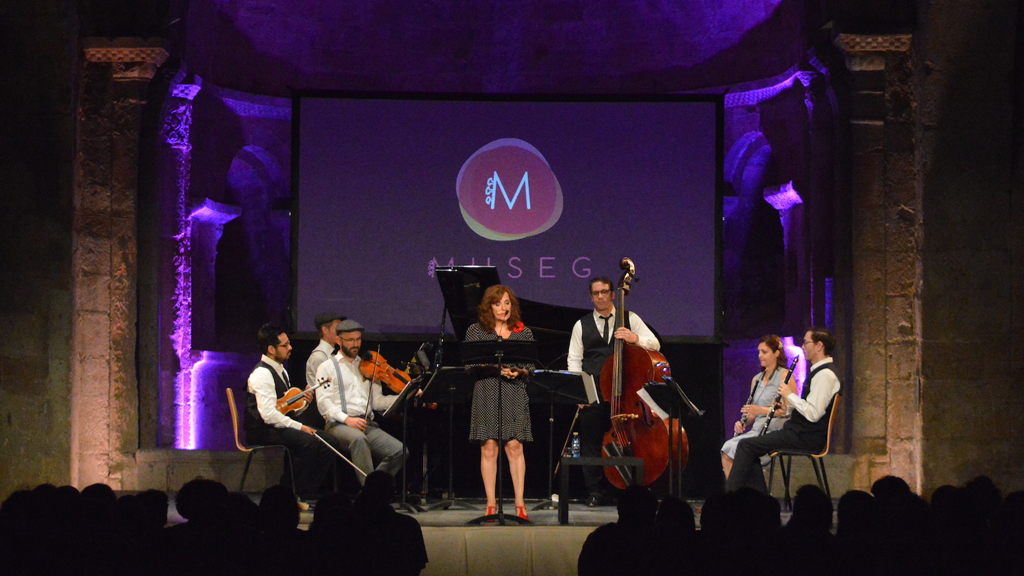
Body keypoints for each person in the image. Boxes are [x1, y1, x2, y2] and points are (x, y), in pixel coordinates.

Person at [567, 276, 660, 507]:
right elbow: (574, 361)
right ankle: (595, 491)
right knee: (591, 441)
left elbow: (655, 344)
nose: (600, 296)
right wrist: (580, 393)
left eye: (604, 292)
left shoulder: (630, 318)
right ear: (591, 297)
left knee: (631, 438)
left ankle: (629, 489)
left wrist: (635, 338)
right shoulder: (581, 325)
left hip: (625, 392)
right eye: (596, 293)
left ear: (612, 294)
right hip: (595, 392)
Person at [725, 327, 841, 494]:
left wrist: (789, 395)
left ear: (819, 346)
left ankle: (730, 500)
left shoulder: (825, 375)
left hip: (807, 437)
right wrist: (786, 408)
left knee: (746, 446)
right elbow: (808, 408)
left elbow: (814, 414)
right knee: (749, 447)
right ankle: (759, 502)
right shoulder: (819, 373)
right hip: (800, 433)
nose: (803, 346)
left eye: (806, 342)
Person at [244, 323, 338, 504]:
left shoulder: (282, 371)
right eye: (285, 345)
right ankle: (286, 496)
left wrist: (304, 402)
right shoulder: (262, 374)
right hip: (261, 429)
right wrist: (301, 427)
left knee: (329, 442)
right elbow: (269, 415)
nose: (290, 348)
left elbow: (285, 408)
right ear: (271, 349)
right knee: (307, 443)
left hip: (277, 425)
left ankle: (303, 493)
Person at [465, 284, 535, 520]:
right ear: (489, 307)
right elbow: (470, 365)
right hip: (487, 391)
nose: (503, 308)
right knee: (489, 448)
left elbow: (531, 367)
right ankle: (491, 504)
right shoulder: (476, 331)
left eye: (507, 303)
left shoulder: (522, 332)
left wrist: (519, 371)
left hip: (514, 393)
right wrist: (496, 368)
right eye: (497, 303)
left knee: (515, 447)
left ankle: (519, 504)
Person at [315, 319, 409, 484]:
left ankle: (374, 487)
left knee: (400, 451)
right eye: (350, 340)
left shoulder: (369, 366)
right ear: (339, 341)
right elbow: (324, 403)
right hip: (338, 425)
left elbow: (377, 402)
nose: (355, 344)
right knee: (358, 439)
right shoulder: (327, 367)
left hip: (367, 424)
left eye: (358, 339)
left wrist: (405, 395)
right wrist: (347, 419)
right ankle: (370, 494)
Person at [720, 334, 791, 479]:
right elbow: (752, 414)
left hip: (774, 432)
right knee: (727, 448)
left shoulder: (784, 375)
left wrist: (761, 410)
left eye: (764, 352)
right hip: (757, 430)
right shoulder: (756, 379)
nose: (760, 355)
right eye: (759, 352)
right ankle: (733, 495)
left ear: (776, 353)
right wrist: (742, 423)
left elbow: (788, 411)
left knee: (741, 451)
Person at [305, 312, 345, 389]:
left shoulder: (336, 354)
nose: (341, 332)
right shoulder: (319, 356)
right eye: (337, 328)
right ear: (325, 330)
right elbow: (326, 388)